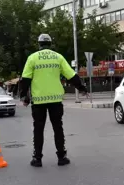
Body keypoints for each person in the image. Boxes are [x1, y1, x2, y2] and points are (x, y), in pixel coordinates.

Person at [19, 33, 88, 167]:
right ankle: (61, 157)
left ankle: (37, 159)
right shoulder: (58, 57)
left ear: (39, 44)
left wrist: (24, 97)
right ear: (50, 44)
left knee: (38, 129)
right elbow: (71, 75)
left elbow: (25, 79)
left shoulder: (32, 58)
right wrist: (82, 88)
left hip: (38, 101)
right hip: (55, 100)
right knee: (58, 128)